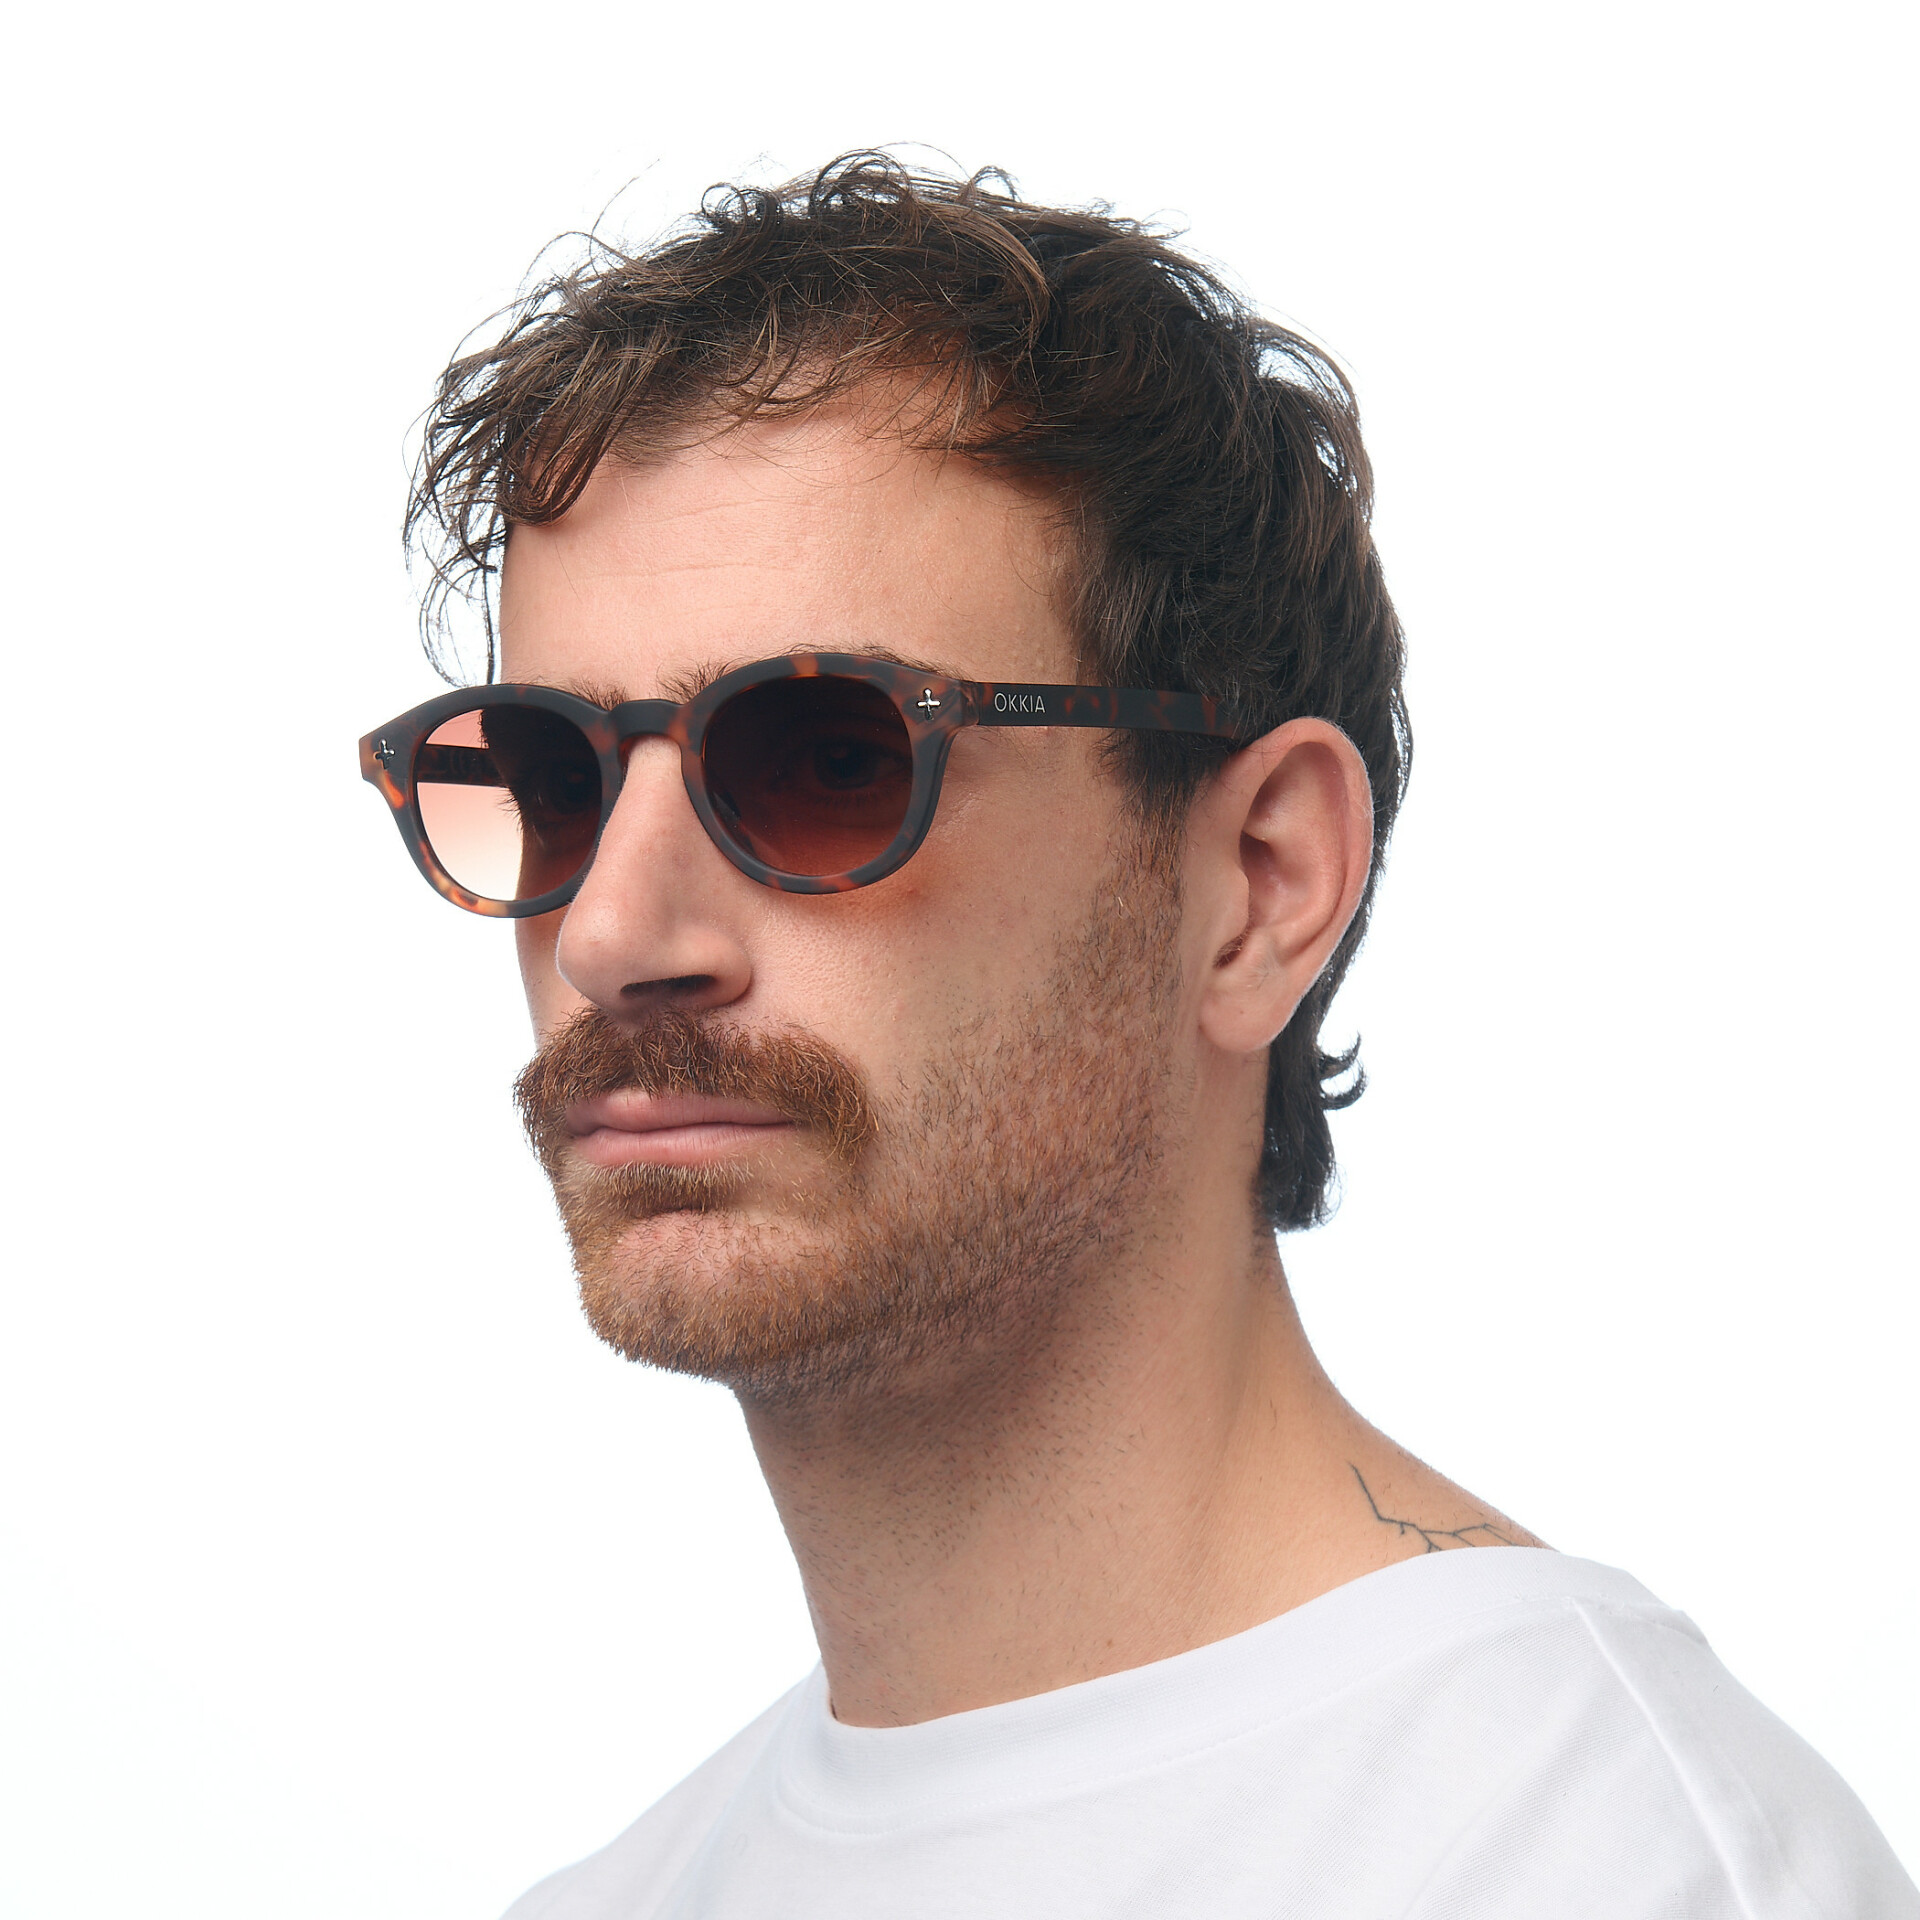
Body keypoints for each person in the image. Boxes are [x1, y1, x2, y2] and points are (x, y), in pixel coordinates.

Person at [361, 155, 1915, 1918]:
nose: (613, 936)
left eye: (827, 756)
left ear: (1258, 885)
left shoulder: (1605, 1863)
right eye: (553, 778)